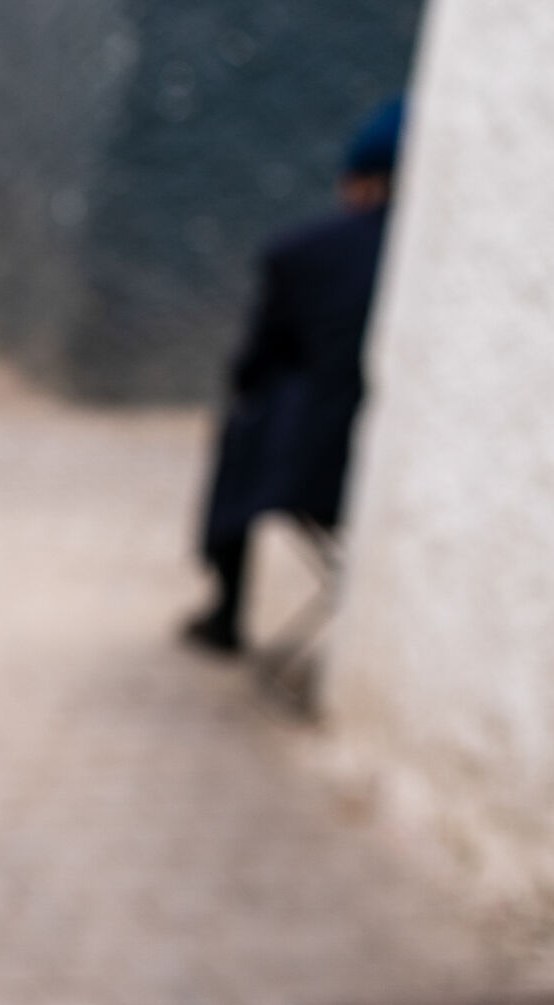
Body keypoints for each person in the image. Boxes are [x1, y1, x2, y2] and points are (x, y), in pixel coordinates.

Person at [181, 98, 404, 655]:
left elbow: (255, 365)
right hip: (400, 467)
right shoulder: (438, 258)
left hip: (316, 471)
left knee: (246, 425)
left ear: (359, 180)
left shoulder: (305, 250)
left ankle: (226, 611)